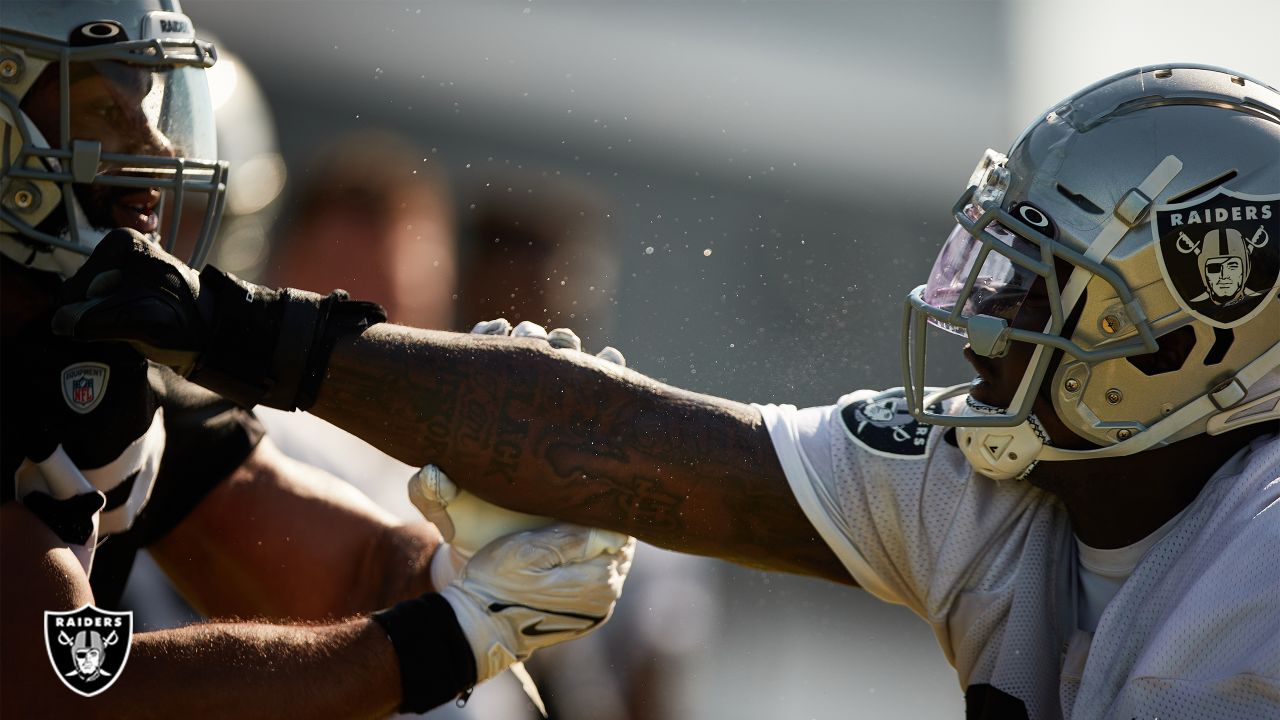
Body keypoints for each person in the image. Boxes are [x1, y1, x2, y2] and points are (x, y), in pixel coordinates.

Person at [55, 58, 1280, 720]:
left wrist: (440, 642)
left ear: (1182, 344)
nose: (980, 316)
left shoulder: (1252, 589)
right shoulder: (1000, 487)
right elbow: (610, 435)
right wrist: (236, 330)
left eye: (1039, 288)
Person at [0, 2, 635, 717]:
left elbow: (350, 572)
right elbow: (62, 689)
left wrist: (465, 567)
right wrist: (444, 638)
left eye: (146, 110)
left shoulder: (94, 370)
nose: (160, 153)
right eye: (102, 111)